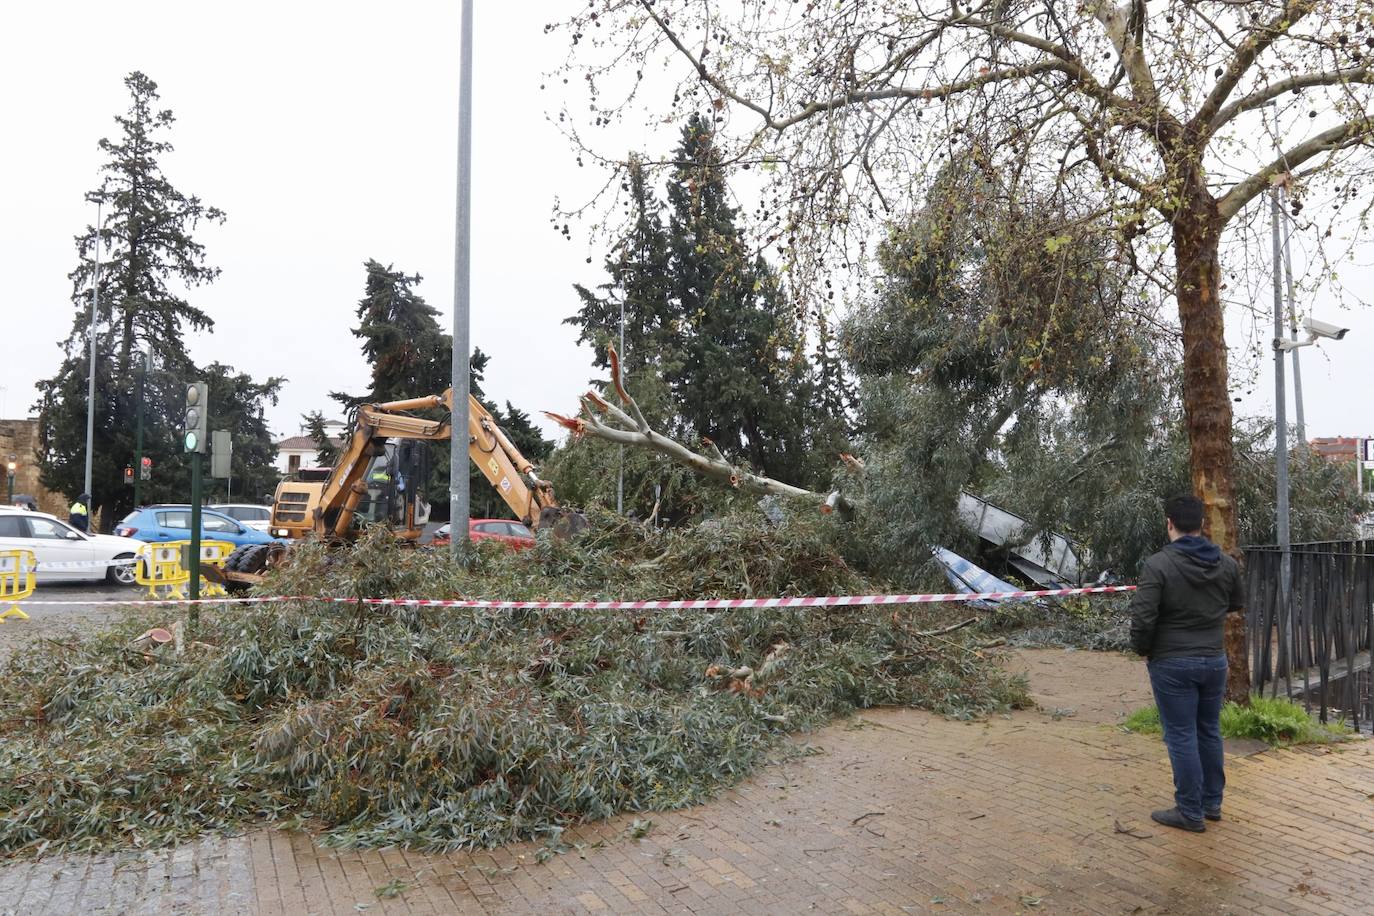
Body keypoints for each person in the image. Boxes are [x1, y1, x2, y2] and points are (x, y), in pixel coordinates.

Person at [1129, 494, 1245, 833]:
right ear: (1202, 524)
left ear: (1169, 523)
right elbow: (1236, 603)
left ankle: (1189, 811)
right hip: (1214, 660)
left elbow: (1144, 618)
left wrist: (1142, 649)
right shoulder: (1226, 564)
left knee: (1180, 735)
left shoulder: (1158, 565)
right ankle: (1212, 803)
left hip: (1172, 663)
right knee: (1208, 730)